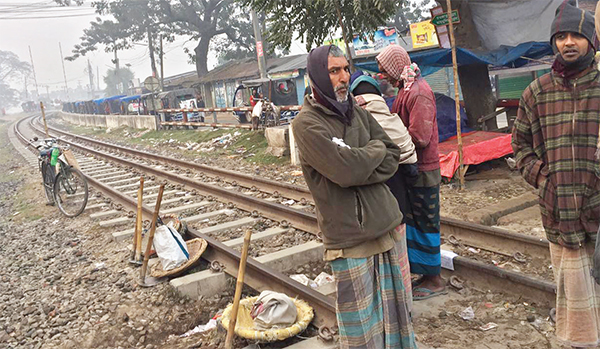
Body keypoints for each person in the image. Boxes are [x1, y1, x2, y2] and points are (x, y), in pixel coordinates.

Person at [292, 45, 416, 349]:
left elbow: (392, 155)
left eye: (346, 69)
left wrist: (360, 160)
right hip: (351, 238)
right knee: (362, 331)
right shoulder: (306, 125)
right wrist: (364, 159)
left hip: (389, 224)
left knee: (400, 320)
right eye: (334, 71)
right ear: (317, 76)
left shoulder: (358, 112)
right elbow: (345, 172)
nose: (344, 77)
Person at [512, 1, 600, 347]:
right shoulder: (537, 92)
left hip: (599, 210)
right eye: (561, 36)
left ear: (590, 40)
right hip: (559, 214)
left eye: (576, 35)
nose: (568, 43)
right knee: (575, 302)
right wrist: (545, 181)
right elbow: (520, 147)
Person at [376, 44, 444, 301]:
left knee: (426, 222)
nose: (383, 76)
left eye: (384, 71)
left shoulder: (418, 93)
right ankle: (426, 273)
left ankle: (435, 279)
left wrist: (390, 141)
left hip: (424, 168)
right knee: (415, 222)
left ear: (395, 68)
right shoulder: (406, 89)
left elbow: (421, 137)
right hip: (412, 166)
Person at [349, 72, 418, 307]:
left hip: (376, 205)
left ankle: (388, 305)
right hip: (399, 200)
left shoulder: (358, 121)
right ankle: (405, 304)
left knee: (381, 258)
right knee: (400, 255)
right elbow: (409, 161)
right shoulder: (393, 118)